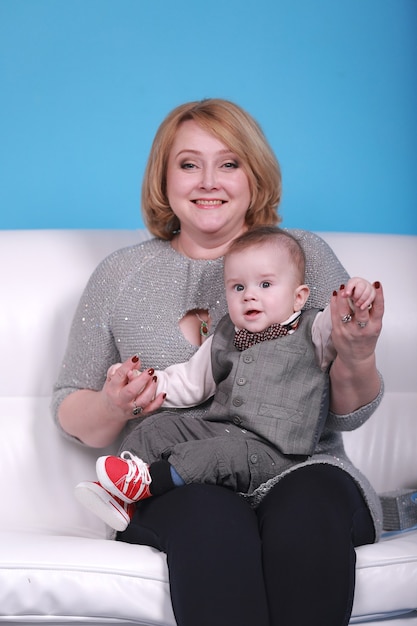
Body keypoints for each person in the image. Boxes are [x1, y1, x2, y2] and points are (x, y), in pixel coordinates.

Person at [52, 98, 384, 626]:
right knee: (212, 521)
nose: (209, 181)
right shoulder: (120, 275)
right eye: (188, 164)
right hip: (181, 484)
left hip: (298, 464)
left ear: (254, 175)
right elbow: (71, 411)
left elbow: (347, 413)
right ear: (164, 178)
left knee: (307, 516)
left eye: (229, 163)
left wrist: (357, 353)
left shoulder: (303, 255)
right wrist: (114, 404)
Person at [74, 226, 378, 533]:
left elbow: (341, 321)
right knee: (157, 427)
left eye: (265, 284)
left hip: (276, 452)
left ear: (299, 297)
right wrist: (144, 383)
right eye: (238, 288)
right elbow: (189, 382)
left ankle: (149, 484)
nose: (250, 296)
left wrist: (355, 299)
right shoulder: (225, 336)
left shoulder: (314, 331)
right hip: (221, 430)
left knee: (211, 455)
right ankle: (122, 496)